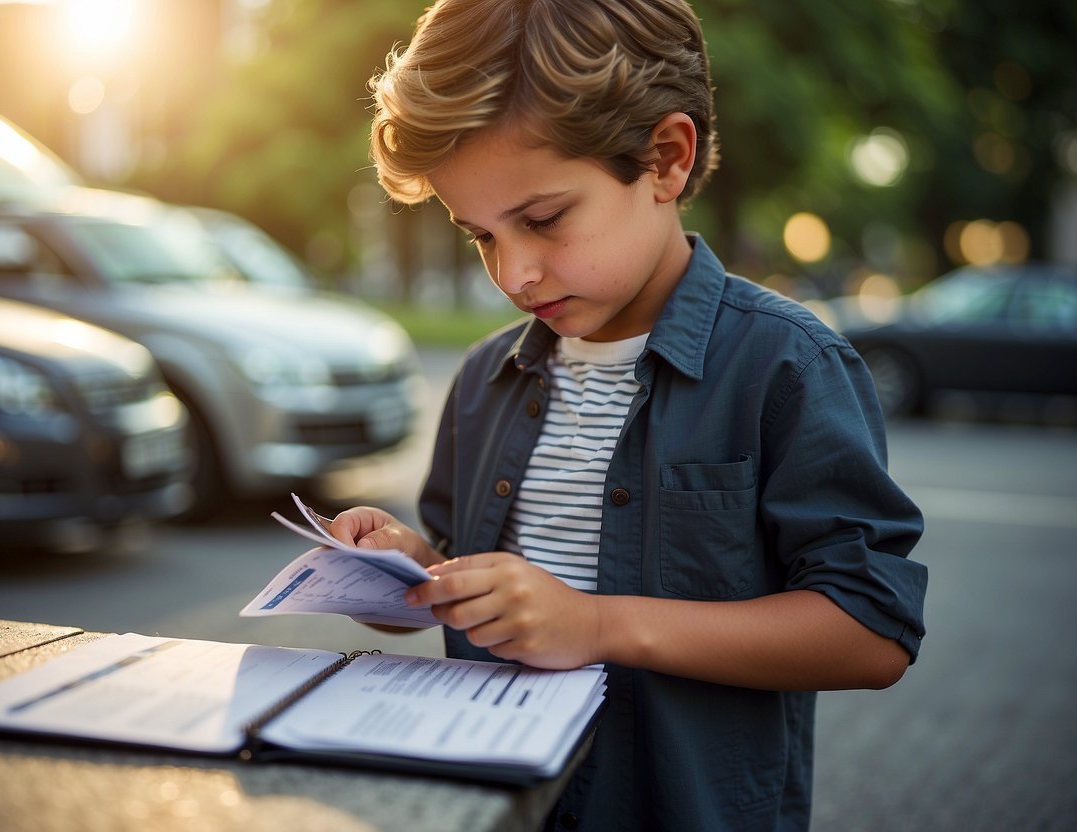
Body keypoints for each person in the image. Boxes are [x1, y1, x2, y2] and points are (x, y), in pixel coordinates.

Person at [328, 1, 928, 829]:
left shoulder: (784, 366)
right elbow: (477, 579)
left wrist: (599, 624)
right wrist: (411, 575)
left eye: (542, 220)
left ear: (665, 159)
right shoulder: (482, 378)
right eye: (480, 237)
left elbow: (871, 630)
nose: (513, 274)